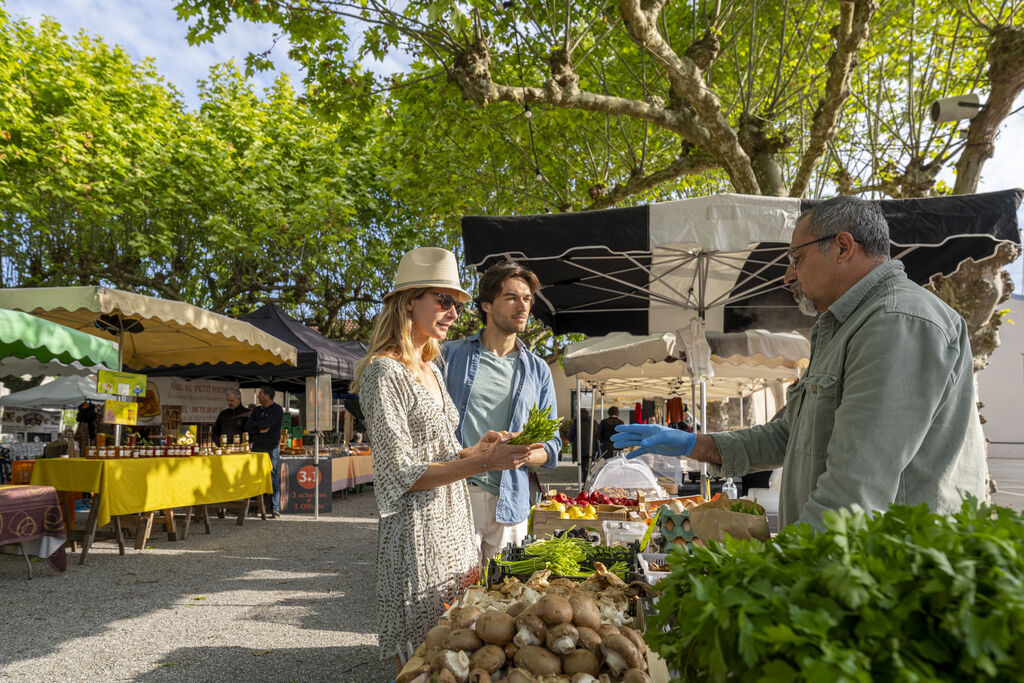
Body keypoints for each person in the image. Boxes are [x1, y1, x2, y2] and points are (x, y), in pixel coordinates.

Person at [613, 195, 986, 530]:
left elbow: (855, 488)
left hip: (890, 577)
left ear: (842, 247)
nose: (789, 274)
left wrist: (787, 572)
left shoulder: (896, 321)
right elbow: (790, 435)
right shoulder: (847, 326)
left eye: (797, 258)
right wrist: (696, 444)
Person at [353, 247, 542, 672]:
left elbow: (438, 451)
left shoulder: (432, 366)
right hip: (418, 534)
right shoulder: (385, 373)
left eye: (455, 303)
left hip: (454, 526)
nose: (454, 312)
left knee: (454, 650)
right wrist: (485, 463)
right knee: (425, 661)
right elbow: (401, 474)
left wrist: (476, 449)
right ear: (408, 303)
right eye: (443, 301)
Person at [442, 260, 561, 567]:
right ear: (486, 305)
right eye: (511, 297)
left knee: (503, 596)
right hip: (457, 494)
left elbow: (553, 447)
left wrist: (524, 453)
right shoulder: (449, 357)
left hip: (511, 502)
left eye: (527, 299)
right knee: (450, 596)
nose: (522, 306)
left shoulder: (538, 371)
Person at [245, 385, 284, 517]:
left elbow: (268, 423)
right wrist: (259, 429)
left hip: (271, 447)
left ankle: (274, 507)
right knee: (256, 476)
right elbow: (248, 426)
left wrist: (259, 426)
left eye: (260, 393)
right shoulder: (256, 410)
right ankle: (256, 506)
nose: (258, 395)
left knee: (272, 475)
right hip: (257, 446)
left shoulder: (277, 409)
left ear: (267, 395)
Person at [567, 408, 597, 480]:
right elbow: (597, 431)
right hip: (591, 445)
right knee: (588, 462)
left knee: (583, 463)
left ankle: (585, 477)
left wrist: (571, 440)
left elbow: (571, 433)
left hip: (580, 446)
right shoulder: (593, 421)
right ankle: (587, 476)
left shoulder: (577, 422)